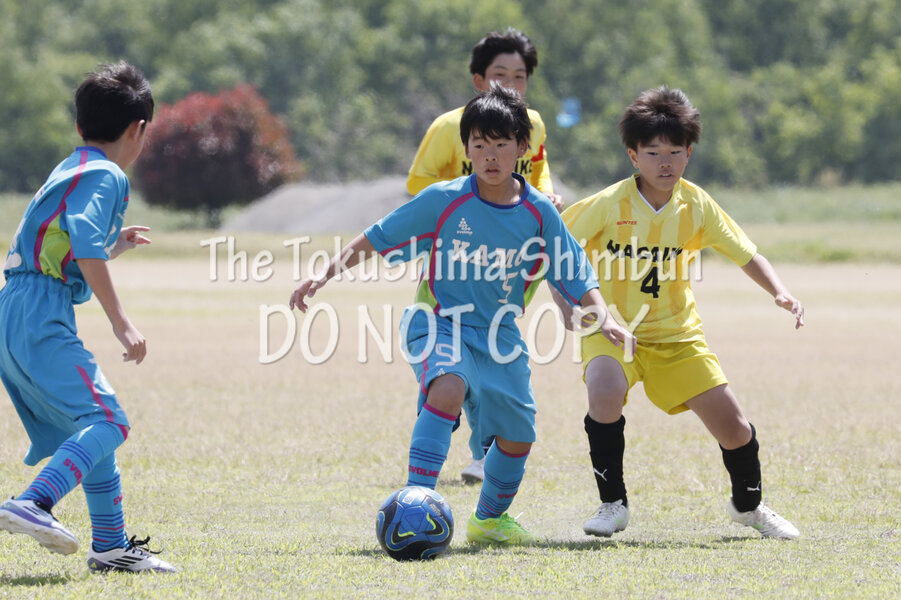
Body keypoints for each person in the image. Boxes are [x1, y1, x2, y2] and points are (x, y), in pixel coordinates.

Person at [292, 86, 634, 545]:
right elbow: (378, 236)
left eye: (501, 144)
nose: (490, 156)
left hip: (498, 336)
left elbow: (572, 267)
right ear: (466, 149)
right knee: (449, 385)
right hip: (437, 321)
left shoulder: (538, 212)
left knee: (518, 436)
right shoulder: (444, 198)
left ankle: (488, 520)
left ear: (522, 147)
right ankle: (416, 503)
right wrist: (324, 272)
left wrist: (602, 315)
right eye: (479, 145)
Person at [555, 86, 804, 540]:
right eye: (653, 152)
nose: (664, 162)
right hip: (612, 328)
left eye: (674, 152)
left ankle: (749, 507)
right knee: (604, 391)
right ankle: (612, 504)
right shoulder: (608, 205)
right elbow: (556, 252)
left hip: (677, 335)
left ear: (689, 154)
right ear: (633, 156)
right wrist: (570, 310)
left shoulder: (697, 205)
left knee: (734, 427)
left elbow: (746, 253)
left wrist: (780, 291)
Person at [0, 61, 176, 572]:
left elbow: (64, 246)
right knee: (108, 421)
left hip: (16, 308)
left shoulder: (70, 166)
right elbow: (81, 241)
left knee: (91, 429)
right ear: (137, 129)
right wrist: (122, 321)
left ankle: (111, 547)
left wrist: (110, 246)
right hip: (39, 312)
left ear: (80, 125)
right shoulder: (107, 174)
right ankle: (34, 502)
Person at [407, 28, 564, 484]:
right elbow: (418, 186)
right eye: (500, 75)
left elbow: (538, 172)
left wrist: (547, 196)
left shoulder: (532, 124)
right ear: (478, 80)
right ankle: (447, 406)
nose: (510, 85)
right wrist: (465, 204)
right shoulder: (447, 127)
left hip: (510, 259)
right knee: (456, 352)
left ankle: (482, 450)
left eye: (519, 77)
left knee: (494, 348)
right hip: (458, 257)